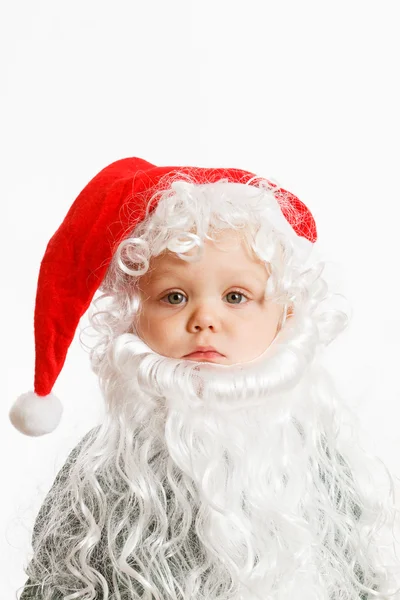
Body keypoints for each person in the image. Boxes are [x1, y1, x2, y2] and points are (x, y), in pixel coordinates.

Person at [10, 157, 400, 599]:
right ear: (134, 318)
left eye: (236, 296)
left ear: (286, 315)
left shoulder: (317, 456)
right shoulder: (104, 468)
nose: (205, 319)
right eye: (174, 296)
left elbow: (360, 581)